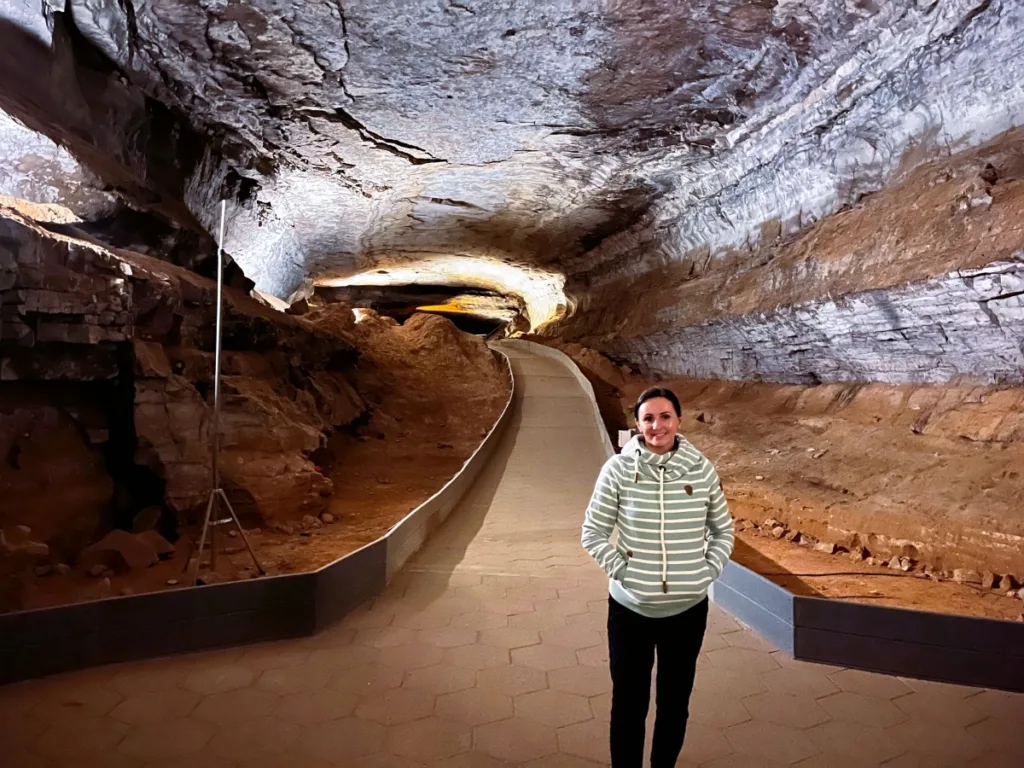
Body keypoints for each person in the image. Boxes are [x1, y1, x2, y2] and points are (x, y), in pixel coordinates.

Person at [582, 386, 735, 768]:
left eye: (665, 416)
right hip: (630, 612)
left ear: (678, 421)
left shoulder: (701, 470)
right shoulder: (618, 469)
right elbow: (592, 532)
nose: (657, 425)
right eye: (648, 418)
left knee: (674, 704)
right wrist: (625, 572)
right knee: (629, 705)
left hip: (686, 614)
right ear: (638, 424)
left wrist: (706, 571)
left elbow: (723, 530)